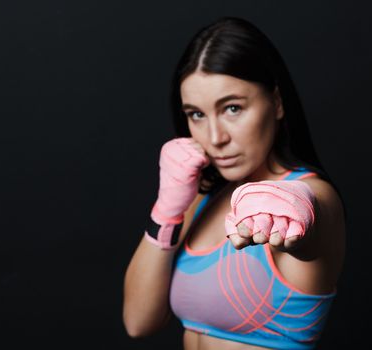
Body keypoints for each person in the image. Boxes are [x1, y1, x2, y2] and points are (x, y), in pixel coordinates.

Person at [123, 16, 347, 350]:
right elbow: (138, 322)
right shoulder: (201, 198)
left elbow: (309, 220)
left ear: (277, 102)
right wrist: (167, 209)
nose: (215, 137)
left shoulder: (313, 196)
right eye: (196, 114)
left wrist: (293, 207)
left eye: (232, 108)